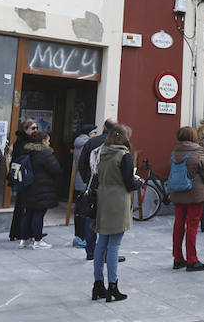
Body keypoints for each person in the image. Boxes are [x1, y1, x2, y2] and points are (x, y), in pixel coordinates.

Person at [91, 124, 140, 302]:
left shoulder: (102, 152)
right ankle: (113, 286)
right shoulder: (124, 155)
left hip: (103, 198)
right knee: (114, 245)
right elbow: (129, 182)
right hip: (118, 199)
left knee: (101, 243)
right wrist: (139, 182)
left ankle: (98, 285)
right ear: (125, 138)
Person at [78, 118, 125, 263]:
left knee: (91, 216)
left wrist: (87, 179)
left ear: (104, 126)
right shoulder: (118, 143)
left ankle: (91, 251)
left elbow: (82, 163)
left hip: (94, 184)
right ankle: (108, 253)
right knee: (109, 220)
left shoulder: (91, 142)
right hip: (112, 186)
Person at [170, 126, 204, 271]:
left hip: (177, 192)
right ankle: (192, 260)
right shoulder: (198, 151)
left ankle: (177, 258)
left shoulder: (175, 151)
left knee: (178, 224)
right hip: (195, 193)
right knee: (192, 226)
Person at [18, 131, 60, 249]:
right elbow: (56, 169)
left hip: (28, 186)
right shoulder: (45, 153)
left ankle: (24, 239)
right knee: (38, 213)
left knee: (28, 213)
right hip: (41, 187)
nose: (49, 143)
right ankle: (38, 240)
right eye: (48, 140)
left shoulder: (27, 151)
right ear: (43, 141)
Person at [8, 118, 37, 240]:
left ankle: (24, 231)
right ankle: (18, 232)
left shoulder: (28, 141)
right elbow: (22, 159)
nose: (35, 130)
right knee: (21, 205)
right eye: (33, 128)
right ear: (25, 129)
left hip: (25, 177)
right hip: (23, 177)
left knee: (25, 205)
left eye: (36, 128)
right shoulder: (22, 143)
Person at [72, 124, 98, 247]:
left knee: (79, 211)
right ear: (89, 134)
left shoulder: (78, 143)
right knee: (84, 211)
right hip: (85, 180)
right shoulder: (88, 144)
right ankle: (82, 238)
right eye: (94, 133)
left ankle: (78, 237)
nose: (95, 135)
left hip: (78, 179)